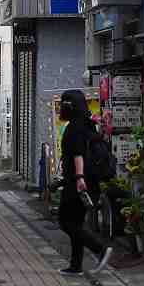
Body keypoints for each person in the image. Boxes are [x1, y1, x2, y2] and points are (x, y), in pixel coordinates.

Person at [57, 89, 97, 275]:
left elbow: (78, 153)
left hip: (77, 182)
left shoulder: (74, 127)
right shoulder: (87, 124)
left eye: (64, 104)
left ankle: (100, 248)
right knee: (77, 222)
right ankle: (76, 265)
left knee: (66, 221)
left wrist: (79, 178)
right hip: (87, 179)